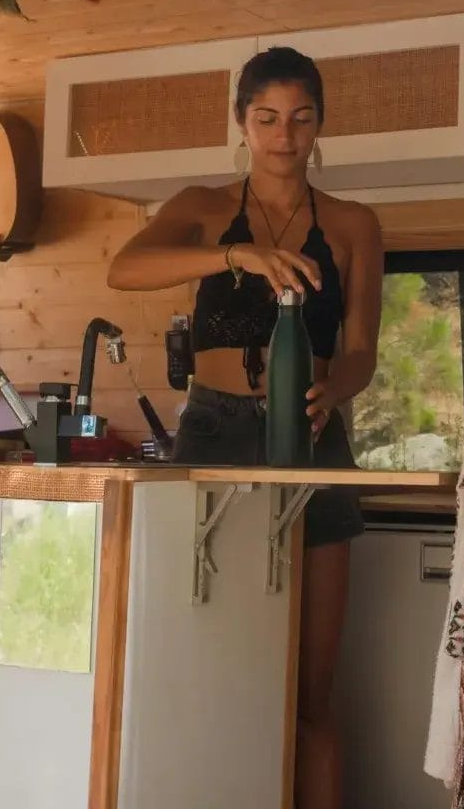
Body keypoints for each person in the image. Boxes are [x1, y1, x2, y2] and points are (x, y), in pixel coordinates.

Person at [107, 46, 383, 809]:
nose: (283, 136)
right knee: (214, 669)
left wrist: (335, 389)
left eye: (299, 118)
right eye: (266, 118)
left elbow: (361, 350)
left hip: (313, 437)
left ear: (320, 124)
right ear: (241, 122)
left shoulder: (354, 223)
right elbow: (123, 269)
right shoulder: (201, 206)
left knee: (312, 688)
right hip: (214, 432)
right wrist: (233, 254)